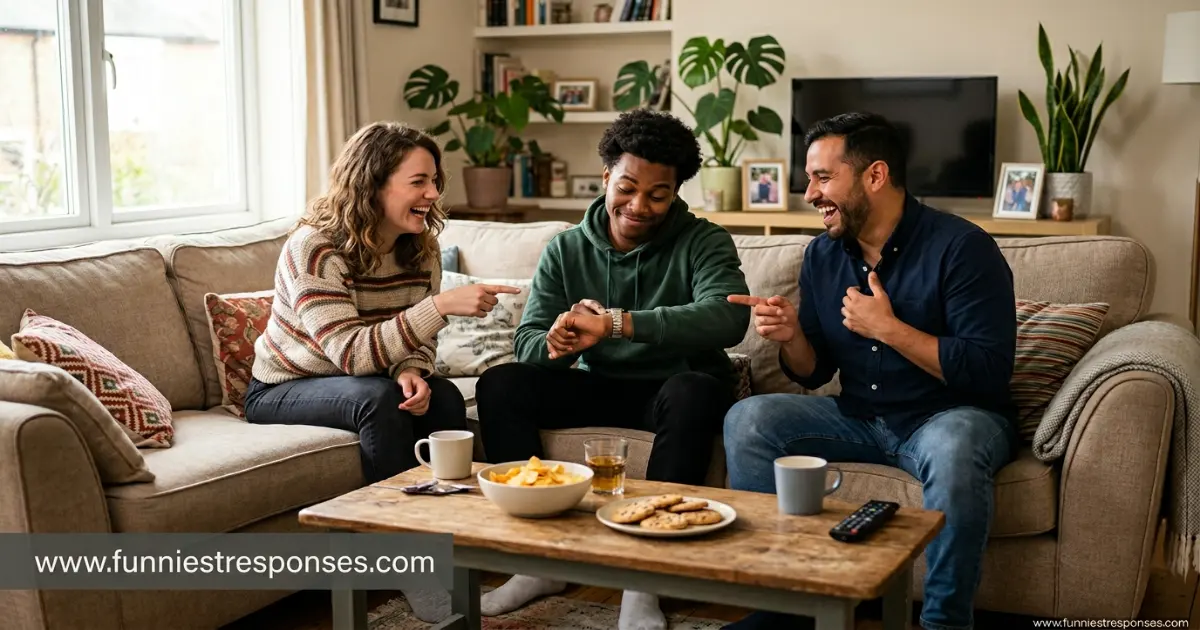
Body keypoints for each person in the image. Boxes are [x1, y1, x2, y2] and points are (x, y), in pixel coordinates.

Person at [723, 112, 1018, 630]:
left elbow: (986, 372)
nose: (809, 194)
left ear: (874, 176)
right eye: (808, 179)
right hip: (859, 418)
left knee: (954, 447)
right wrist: (793, 338)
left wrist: (888, 328)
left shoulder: (963, 248)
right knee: (749, 419)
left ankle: (945, 624)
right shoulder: (821, 255)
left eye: (822, 177)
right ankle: (781, 610)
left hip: (950, 416)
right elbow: (814, 375)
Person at [474, 108, 751, 630]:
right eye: (627, 187)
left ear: (676, 192)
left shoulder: (705, 241)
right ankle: (537, 562)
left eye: (658, 194)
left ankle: (643, 579)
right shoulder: (565, 248)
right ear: (606, 178)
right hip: (599, 385)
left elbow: (727, 318)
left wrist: (621, 324)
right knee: (501, 383)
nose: (639, 205)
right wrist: (555, 344)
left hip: (673, 390)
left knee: (693, 391)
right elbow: (527, 339)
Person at [243, 121, 519, 622]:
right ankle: (412, 565)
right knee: (377, 400)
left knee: (446, 399)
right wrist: (439, 305)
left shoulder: (421, 248)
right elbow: (350, 353)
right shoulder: (315, 248)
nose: (433, 194)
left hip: (366, 378)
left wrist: (412, 369)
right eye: (419, 182)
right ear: (373, 183)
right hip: (284, 387)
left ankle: (453, 549)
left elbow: (415, 343)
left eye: (435, 180)